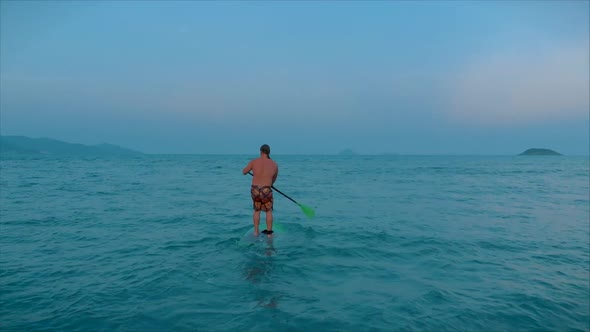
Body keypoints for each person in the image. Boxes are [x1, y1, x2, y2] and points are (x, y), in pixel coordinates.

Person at [242, 144, 278, 237]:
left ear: (260, 151)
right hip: (266, 189)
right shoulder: (274, 164)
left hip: (255, 189)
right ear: (268, 152)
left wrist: (249, 169)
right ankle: (269, 234)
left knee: (257, 210)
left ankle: (256, 232)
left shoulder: (254, 161)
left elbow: (244, 172)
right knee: (268, 211)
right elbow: (273, 179)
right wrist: (270, 184)